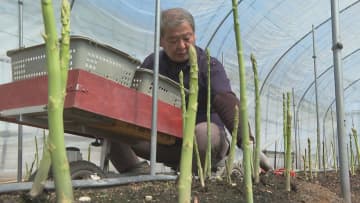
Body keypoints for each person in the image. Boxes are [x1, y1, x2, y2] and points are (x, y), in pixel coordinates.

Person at [109, 7, 272, 174]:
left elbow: (225, 99)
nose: (181, 46)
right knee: (112, 129)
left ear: (194, 36)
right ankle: (137, 174)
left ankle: (191, 178)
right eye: (173, 40)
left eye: (187, 38)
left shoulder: (208, 65)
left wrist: (247, 143)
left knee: (204, 133)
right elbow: (134, 98)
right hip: (166, 142)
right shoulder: (153, 64)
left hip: (204, 145)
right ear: (161, 41)